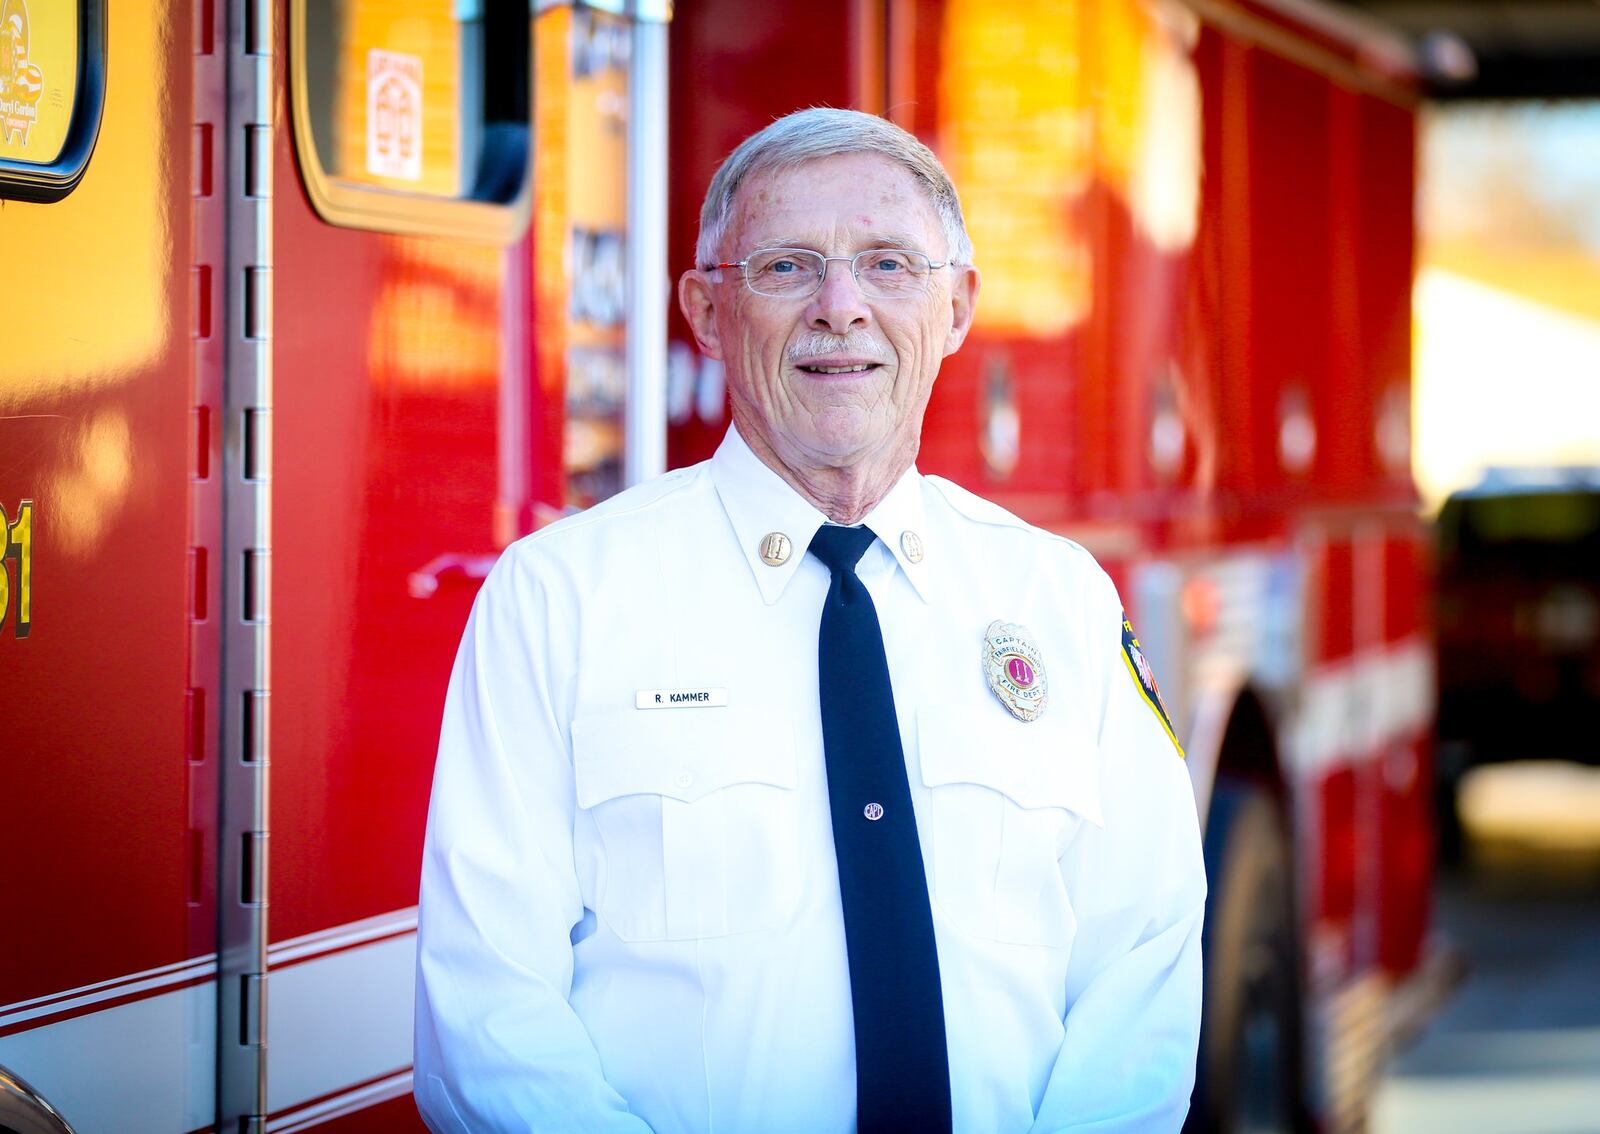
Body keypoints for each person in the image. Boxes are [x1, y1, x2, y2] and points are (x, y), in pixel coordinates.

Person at [414, 107, 1206, 1134]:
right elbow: (487, 1012)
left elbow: (1142, 955)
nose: (841, 307)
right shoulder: (558, 599)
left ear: (958, 306)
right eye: (787, 267)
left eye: (888, 265)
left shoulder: (1059, 599)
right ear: (705, 309)